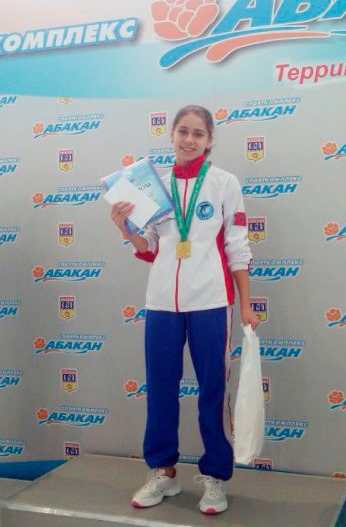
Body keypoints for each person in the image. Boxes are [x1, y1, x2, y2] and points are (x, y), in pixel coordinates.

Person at [110, 105, 258, 515]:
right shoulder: (154, 187)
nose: (189, 140)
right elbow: (150, 246)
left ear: (209, 140)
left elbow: (237, 247)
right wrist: (124, 227)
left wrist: (246, 304)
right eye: (183, 131)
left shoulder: (224, 183)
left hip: (211, 301)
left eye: (198, 133)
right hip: (161, 303)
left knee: (212, 389)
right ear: (171, 135)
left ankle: (215, 476)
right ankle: (163, 471)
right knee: (160, 388)